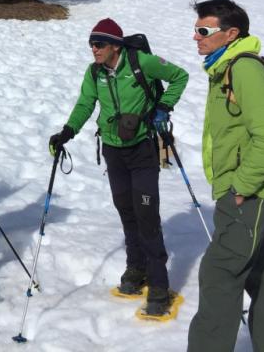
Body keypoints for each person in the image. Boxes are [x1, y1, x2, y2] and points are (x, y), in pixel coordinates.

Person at [48, 18, 188, 315]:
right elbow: (86, 104)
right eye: (91, 44)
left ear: (115, 45)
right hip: (113, 151)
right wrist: (67, 132)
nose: (93, 49)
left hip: (142, 151)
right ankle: (135, 269)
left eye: (99, 44)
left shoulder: (142, 63)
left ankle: (159, 283)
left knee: (146, 213)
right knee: (126, 209)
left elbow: (180, 76)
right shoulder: (94, 72)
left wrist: (163, 107)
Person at [187, 0, 264, 351]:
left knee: (219, 275)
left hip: (250, 193)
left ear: (231, 33)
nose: (196, 37)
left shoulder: (244, 69)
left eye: (204, 30)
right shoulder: (225, 68)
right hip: (251, 190)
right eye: (196, 29)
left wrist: (241, 187)